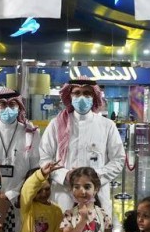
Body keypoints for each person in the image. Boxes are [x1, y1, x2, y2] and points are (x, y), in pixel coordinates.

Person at [38, 77, 125, 214]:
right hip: (64, 194)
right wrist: (65, 175)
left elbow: (118, 159)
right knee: (63, 226)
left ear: (94, 96)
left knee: (96, 226)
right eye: (77, 93)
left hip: (97, 195)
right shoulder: (56, 124)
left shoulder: (107, 125)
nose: (82, 97)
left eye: (87, 93)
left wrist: (94, 177)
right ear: (70, 96)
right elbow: (44, 158)